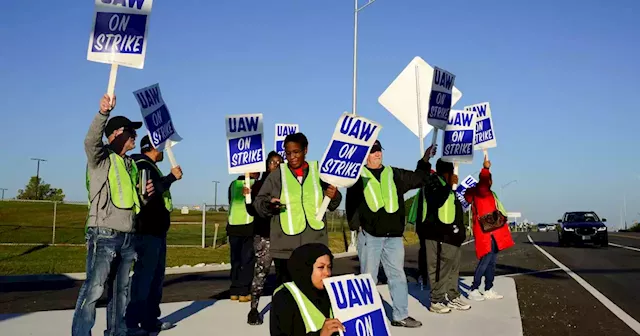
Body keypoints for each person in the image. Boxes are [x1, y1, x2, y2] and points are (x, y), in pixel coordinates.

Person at [72, 94, 155, 336]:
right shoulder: (101, 157)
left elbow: (132, 201)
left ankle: (118, 331)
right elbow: (90, 141)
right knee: (94, 288)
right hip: (104, 234)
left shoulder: (130, 164)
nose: (135, 136)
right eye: (131, 131)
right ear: (117, 133)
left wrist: (145, 196)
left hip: (128, 235)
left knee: (121, 291)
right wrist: (103, 113)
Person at [345, 140, 434, 328]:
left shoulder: (394, 174)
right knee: (368, 279)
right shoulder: (356, 177)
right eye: (373, 151)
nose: (378, 154)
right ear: (365, 156)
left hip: (393, 237)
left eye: (379, 151)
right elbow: (351, 203)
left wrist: (425, 160)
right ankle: (365, 317)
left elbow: (419, 178)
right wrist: (356, 226)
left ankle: (400, 315)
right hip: (370, 236)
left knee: (398, 276)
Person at [254, 132, 342, 287]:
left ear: (305, 150)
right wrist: (270, 206)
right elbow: (259, 203)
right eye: (288, 153)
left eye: (296, 152)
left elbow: (333, 203)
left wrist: (334, 196)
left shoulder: (320, 173)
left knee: (314, 289)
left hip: (314, 243)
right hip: (285, 246)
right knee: (287, 291)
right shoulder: (276, 176)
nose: (292, 156)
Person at [125, 135, 183, 335]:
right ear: (153, 147)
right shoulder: (142, 165)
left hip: (157, 231)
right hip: (147, 231)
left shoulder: (150, 166)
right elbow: (146, 192)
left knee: (155, 279)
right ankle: (133, 322)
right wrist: (170, 178)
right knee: (144, 278)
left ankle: (150, 319)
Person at [416, 159, 470, 314]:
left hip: (452, 237)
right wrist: (448, 185)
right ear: (445, 172)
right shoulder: (433, 182)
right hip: (438, 236)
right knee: (440, 269)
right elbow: (436, 201)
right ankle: (436, 300)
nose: (453, 174)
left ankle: (452, 296)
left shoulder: (449, 187)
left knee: (453, 269)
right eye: (451, 171)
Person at [464, 157, 514, 301]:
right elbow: (484, 182)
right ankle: (474, 288)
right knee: (486, 260)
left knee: (491, 261)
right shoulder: (482, 191)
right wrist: (486, 169)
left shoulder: (481, 193)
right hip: (487, 232)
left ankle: (488, 288)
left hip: (493, 232)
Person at [270, 243, 345, 336]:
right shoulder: (284, 297)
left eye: (329, 267)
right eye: (321, 267)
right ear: (306, 269)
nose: (327, 273)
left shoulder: (334, 292)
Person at [247, 151, 283, 325]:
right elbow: (252, 210)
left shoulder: (287, 185)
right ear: (267, 165)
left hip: (284, 236)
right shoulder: (260, 185)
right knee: (261, 273)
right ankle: (253, 309)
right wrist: (249, 200)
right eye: (272, 162)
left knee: (284, 275)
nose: (276, 165)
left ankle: (284, 308)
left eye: (279, 162)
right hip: (265, 236)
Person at [227, 171, 261, 302]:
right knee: (247, 260)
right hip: (248, 225)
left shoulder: (233, 184)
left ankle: (234, 291)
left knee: (235, 260)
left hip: (233, 225)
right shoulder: (255, 184)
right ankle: (244, 291)